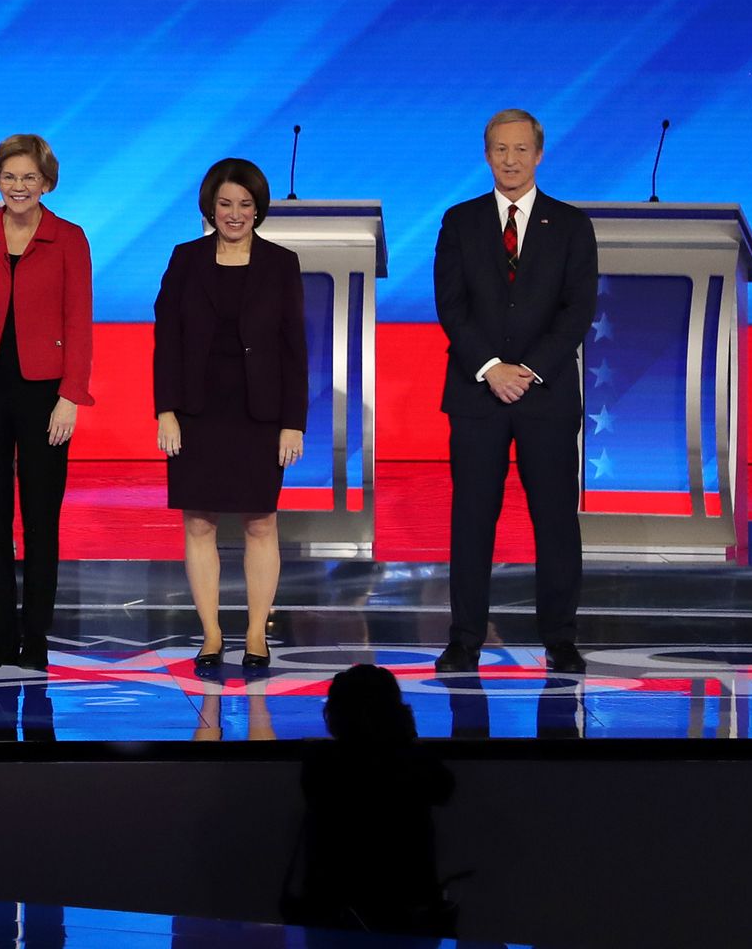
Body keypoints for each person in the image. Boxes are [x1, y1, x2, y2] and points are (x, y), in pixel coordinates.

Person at [433, 108, 598, 675]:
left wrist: (526, 369)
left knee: (554, 520)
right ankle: (464, 639)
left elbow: (578, 311)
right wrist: (489, 368)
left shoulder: (572, 225)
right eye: (500, 149)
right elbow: (451, 307)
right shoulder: (460, 221)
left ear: (539, 153)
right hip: (477, 394)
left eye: (521, 149)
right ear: (487, 155)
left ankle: (560, 638)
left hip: (545, 394)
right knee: (472, 519)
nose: (510, 159)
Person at [0, 134, 93, 670]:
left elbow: (79, 323)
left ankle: (37, 637)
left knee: (40, 517)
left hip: (45, 394)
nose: (19, 186)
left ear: (46, 182)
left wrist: (72, 395)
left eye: (30, 177)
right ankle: (0, 636)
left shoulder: (68, 238)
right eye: (9, 177)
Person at [154, 158, 306, 673]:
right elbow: (167, 342)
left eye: (245, 204)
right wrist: (166, 411)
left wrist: (294, 421)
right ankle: (213, 634)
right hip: (197, 412)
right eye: (225, 204)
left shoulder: (282, 264)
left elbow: (294, 350)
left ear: (258, 209)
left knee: (261, 522)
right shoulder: (184, 259)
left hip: (259, 412)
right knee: (199, 522)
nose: (235, 213)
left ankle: (257, 634)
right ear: (210, 207)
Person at [286, 664, 456, 939]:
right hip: (404, 906)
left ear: (335, 713)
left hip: (334, 907)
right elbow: (444, 789)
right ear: (395, 711)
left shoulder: (321, 763)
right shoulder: (413, 763)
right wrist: (406, 737)